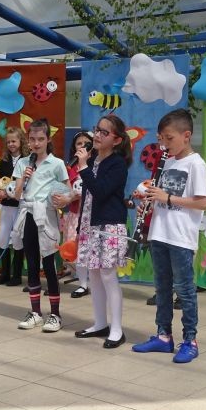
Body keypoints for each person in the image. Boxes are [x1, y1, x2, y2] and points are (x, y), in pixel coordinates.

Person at [132, 109, 206, 363]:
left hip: (180, 237)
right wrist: (150, 203)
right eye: (161, 139)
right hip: (160, 233)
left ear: (186, 135)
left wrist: (167, 198)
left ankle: (190, 340)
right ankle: (163, 336)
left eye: (169, 138)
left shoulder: (196, 164)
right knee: (162, 288)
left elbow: (202, 202)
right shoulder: (166, 161)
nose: (164, 144)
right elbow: (162, 197)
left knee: (184, 290)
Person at [72, 115, 132, 348]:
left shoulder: (117, 164)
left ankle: (117, 329)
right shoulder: (94, 160)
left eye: (104, 132)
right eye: (97, 130)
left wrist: (83, 167)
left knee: (107, 275)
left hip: (109, 226)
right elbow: (87, 197)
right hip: (90, 224)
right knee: (94, 275)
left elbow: (100, 191)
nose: (97, 135)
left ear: (116, 140)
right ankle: (100, 323)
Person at [11, 118, 69, 332]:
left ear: (48, 139)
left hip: (46, 216)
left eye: (40, 139)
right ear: (28, 140)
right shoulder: (22, 163)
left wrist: (62, 200)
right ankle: (35, 312)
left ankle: (55, 314)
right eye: (32, 139)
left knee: (49, 265)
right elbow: (16, 194)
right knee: (32, 263)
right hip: (27, 213)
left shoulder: (57, 163)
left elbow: (67, 190)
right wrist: (24, 178)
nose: (36, 143)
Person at [53, 130, 94, 299]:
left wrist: (76, 195)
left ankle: (93, 282)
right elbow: (67, 191)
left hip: (93, 214)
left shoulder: (96, 165)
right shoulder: (70, 168)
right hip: (76, 214)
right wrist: (65, 197)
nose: (82, 146)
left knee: (92, 249)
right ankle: (83, 283)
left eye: (86, 144)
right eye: (79, 144)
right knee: (76, 248)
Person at [0, 126, 28, 286]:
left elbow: (25, 184)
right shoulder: (4, 162)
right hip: (6, 206)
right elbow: (2, 181)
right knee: (3, 238)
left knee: (18, 238)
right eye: (8, 142)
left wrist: (9, 193)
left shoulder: (26, 161)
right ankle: (5, 273)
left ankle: (17, 275)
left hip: (20, 205)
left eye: (14, 141)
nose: (11, 144)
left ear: (21, 141)